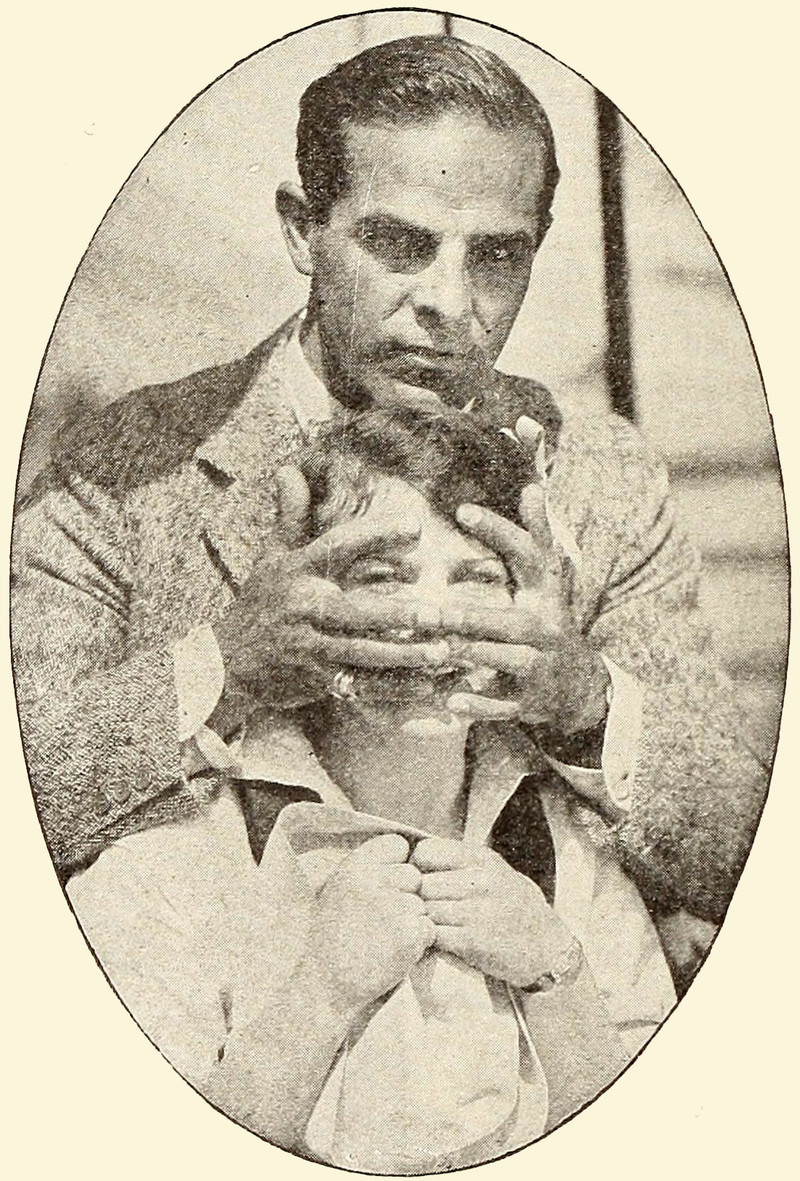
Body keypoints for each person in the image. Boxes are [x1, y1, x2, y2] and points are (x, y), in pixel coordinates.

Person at [12, 36, 764, 950]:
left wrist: (583, 701)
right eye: (399, 244)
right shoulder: (122, 469)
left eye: (496, 256)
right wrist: (226, 669)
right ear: (302, 230)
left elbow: (747, 851)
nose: (447, 300)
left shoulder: (604, 480)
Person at [67, 406, 676, 1171]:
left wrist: (555, 971)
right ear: (301, 601)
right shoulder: (175, 865)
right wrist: (320, 994)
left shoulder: (568, 848)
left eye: (476, 579)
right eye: (382, 578)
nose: (429, 617)